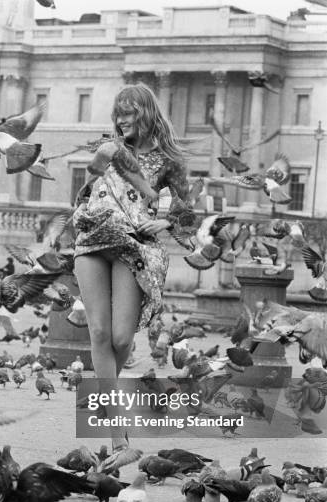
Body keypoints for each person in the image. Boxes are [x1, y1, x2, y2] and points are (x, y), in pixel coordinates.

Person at [72, 83, 194, 452]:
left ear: (145, 112)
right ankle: (114, 430)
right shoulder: (109, 149)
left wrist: (166, 224)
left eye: (128, 112)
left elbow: (186, 208)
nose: (121, 119)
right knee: (98, 332)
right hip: (93, 240)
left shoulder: (170, 158)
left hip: (134, 246)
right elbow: (84, 194)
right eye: (118, 112)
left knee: (122, 339)